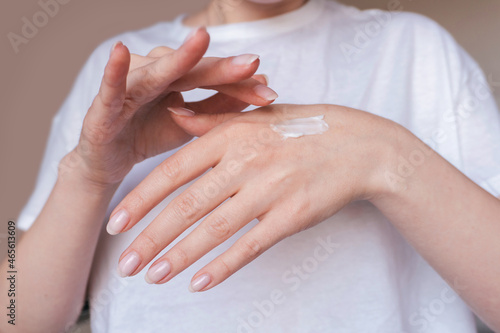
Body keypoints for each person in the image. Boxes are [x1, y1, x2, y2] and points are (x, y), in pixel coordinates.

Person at [2, 0, 499, 332]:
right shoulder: (117, 70)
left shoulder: (415, 50)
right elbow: (14, 313)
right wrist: (89, 173)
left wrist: (383, 156)